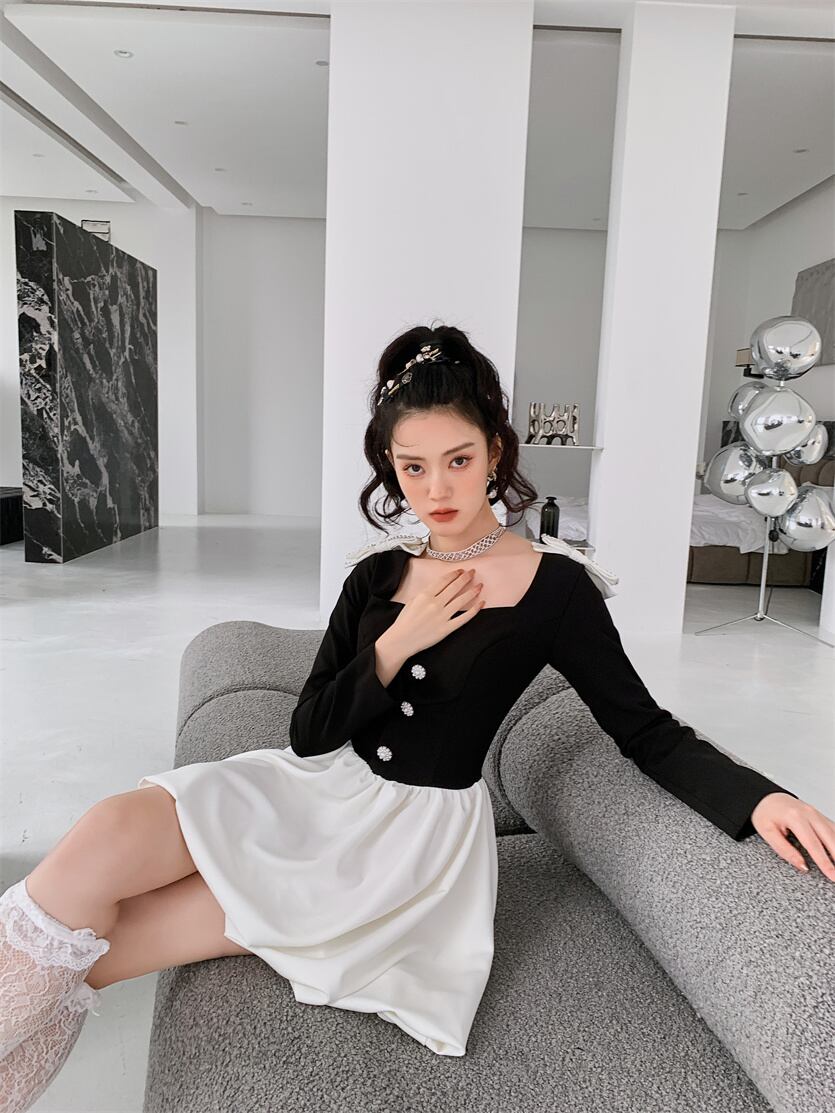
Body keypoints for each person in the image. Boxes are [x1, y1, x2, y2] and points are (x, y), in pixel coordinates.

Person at [1, 324, 833, 1107]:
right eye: (411, 467)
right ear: (389, 467)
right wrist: (399, 640)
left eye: (458, 460)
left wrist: (756, 796)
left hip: (399, 851)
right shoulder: (376, 576)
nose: (435, 489)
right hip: (311, 790)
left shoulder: (556, 588)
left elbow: (643, 728)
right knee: (105, 833)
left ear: (495, 451)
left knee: (98, 957)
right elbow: (309, 732)